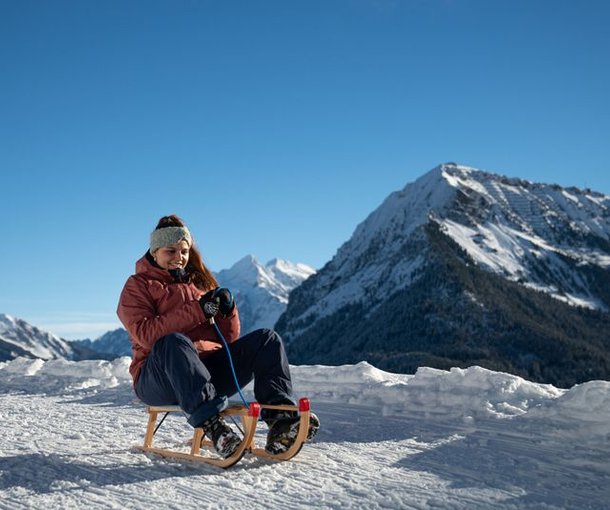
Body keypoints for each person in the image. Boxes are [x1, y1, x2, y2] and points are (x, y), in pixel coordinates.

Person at [117, 214, 319, 458]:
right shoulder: (137, 285)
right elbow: (145, 335)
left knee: (267, 339)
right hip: (158, 378)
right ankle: (214, 427)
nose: (178, 258)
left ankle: (282, 422)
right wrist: (197, 310)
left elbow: (228, 339)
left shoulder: (197, 284)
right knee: (174, 341)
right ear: (155, 251)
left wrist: (227, 311)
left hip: (205, 375)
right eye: (170, 251)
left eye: (184, 251)